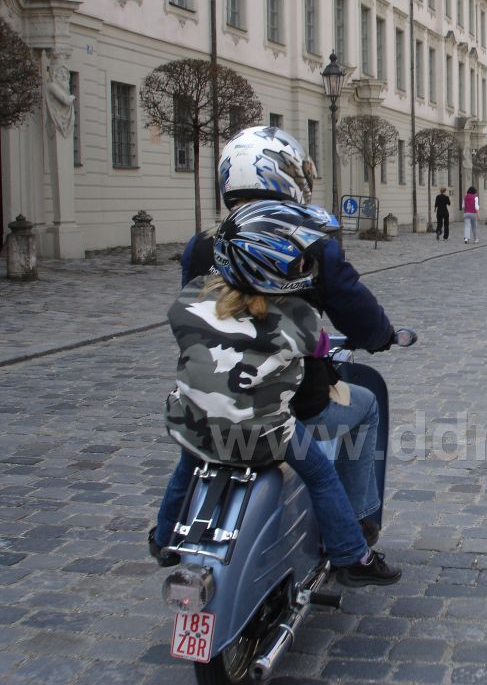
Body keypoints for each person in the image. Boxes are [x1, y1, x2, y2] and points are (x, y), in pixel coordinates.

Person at [161, 126, 393, 556]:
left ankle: (164, 540)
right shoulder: (312, 245)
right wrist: (382, 335)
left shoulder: (201, 246)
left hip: (207, 401)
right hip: (292, 406)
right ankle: (356, 528)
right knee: (366, 407)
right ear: (286, 178)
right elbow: (357, 312)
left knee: (192, 450)